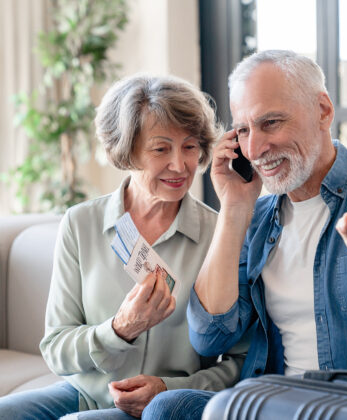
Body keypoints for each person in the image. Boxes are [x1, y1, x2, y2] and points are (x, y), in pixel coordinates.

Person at [142, 49, 347, 419]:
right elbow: (210, 336)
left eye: (271, 123)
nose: (254, 148)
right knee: (169, 409)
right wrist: (234, 208)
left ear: (323, 111)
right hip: (277, 403)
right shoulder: (256, 219)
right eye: (243, 130)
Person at [0, 74, 247, 420]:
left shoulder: (217, 235)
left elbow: (242, 362)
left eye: (190, 147)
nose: (179, 165)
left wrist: (168, 388)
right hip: (84, 393)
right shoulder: (80, 223)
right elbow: (55, 347)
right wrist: (118, 329)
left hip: (161, 407)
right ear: (127, 150)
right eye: (161, 148)